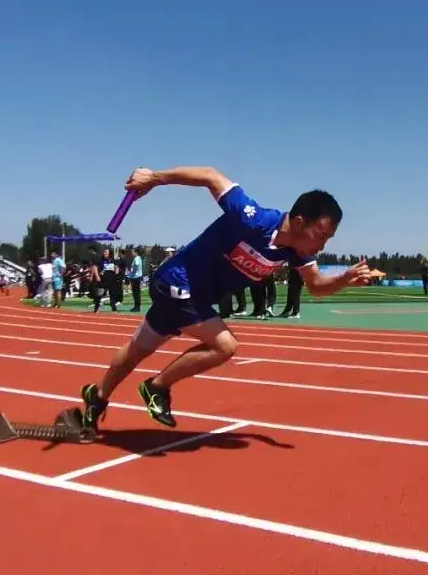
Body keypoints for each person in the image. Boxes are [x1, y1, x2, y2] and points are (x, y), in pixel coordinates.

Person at [76, 166, 370, 434]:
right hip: (177, 282)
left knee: (138, 349)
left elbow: (316, 285)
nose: (322, 245)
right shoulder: (252, 218)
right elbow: (210, 176)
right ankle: (157, 387)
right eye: (321, 235)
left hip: (197, 299)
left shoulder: (296, 253)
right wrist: (154, 179)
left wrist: (344, 279)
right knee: (225, 345)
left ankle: (97, 397)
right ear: (299, 221)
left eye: (328, 239)